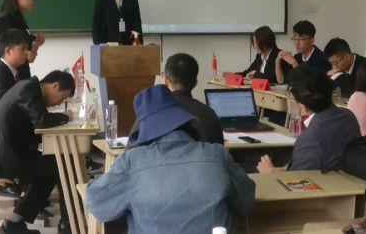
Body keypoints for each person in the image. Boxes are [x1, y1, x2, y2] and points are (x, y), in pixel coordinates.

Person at [87, 85, 255, 234]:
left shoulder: (132, 163)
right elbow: (246, 200)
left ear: (146, 130)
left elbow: (97, 205)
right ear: (184, 121)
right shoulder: (218, 155)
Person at [0, 70, 75, 234]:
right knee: (60, 165)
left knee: (55, 165)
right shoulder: (29, 90)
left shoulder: (30, 88)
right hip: (2, 158)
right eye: (62, 98)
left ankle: (16, 221)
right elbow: (42, 121)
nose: (59, 103)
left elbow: (33, 129)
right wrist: (65, 117)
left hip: (5, 153)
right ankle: (67, 223)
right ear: (55, 86)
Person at [257, 65, 360, 173]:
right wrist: (278, 170)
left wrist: (269, 173)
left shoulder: (310, 139)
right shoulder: (348, 116)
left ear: (303, 108)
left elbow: (295, 179)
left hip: (317, 182)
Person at [134, 53, 224, 144]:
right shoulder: (209, 114)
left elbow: (131, 148)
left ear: (166, 81)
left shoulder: (150, 113)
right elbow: (220, 148)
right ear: (195, 83)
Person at [0, 0, 45, 80]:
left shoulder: (19, 21)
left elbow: (29, 56)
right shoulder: (4, 21)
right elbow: (3, 52)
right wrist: (29, 53)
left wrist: (36, 44)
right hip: (8, 80)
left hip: (20, 78)